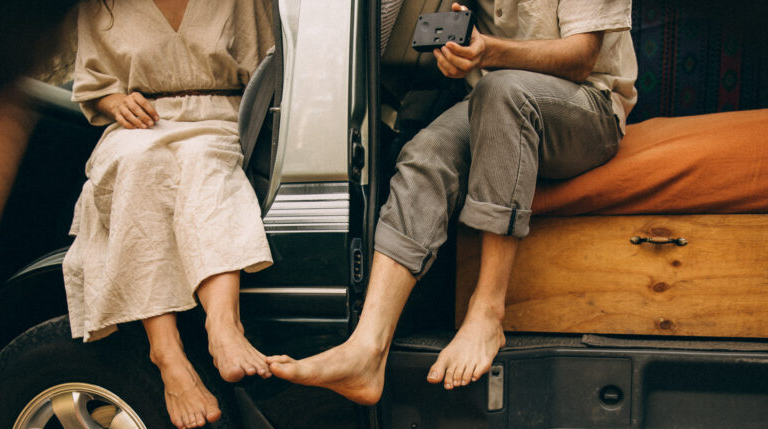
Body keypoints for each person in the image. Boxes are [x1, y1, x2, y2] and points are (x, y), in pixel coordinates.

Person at [270, 0, 637, 404]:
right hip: (493, 98)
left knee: (501, 91)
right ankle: (366, 350)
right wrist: (456, 58)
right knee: (425, 150)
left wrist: (489, 52)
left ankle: (487, 312)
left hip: (588, 104)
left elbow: (582, 57)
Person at [64, 0, 275, 429]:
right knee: (137, 167)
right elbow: (94, 86)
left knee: (205, 163)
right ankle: (167, 355)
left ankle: (224, 327)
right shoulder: (99, 6)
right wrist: (116, 102)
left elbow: (272, 70)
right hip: (141, 126)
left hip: (222, 118)